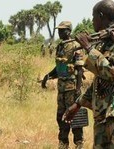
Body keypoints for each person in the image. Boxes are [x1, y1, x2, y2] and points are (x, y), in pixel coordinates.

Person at [63, 0, 114, 148]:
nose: (92, 21)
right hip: (103, 115)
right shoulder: (104, 43)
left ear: (101, 15)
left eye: (93, 17)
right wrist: (77, 104)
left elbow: (112, 71)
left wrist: (88, 48)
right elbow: (100, 81)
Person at [41, 21, 85, 149]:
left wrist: (78, 89)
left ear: (69, 31)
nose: (59, 32)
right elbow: (59, 66)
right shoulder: (60, 46)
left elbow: (80, 68)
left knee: (74, 115)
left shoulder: (76, 46)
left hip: (72, 88)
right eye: (59, 30)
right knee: (61, 116)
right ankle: (63, 143)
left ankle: (79, 143)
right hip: (61, 88)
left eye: (62, 30)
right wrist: (47, 77)